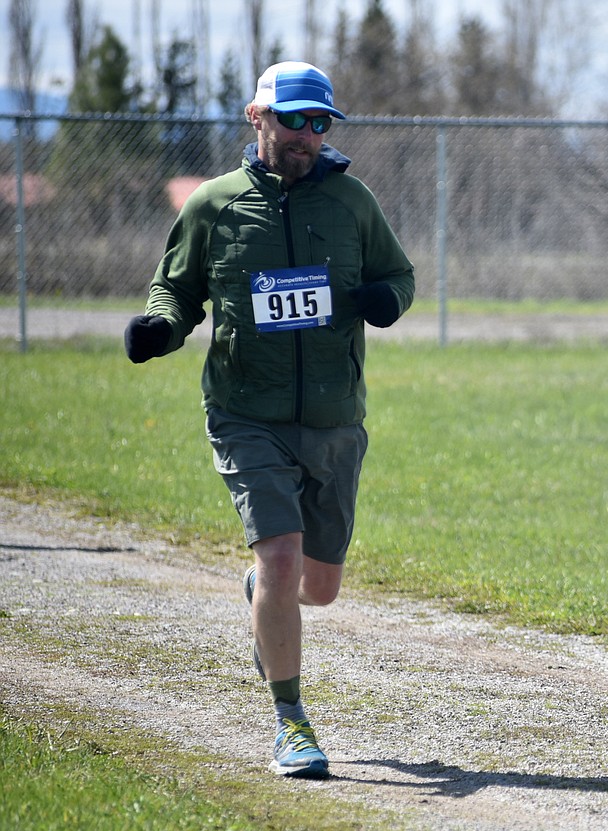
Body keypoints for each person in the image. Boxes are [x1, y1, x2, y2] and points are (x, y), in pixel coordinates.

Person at [123, 61, 415, 779]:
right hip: (245, 412)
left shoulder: (351, 202)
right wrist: (161, 327)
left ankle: (265, 598)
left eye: (321, 123)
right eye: (294, 120)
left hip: (334, 417)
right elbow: (177, 288)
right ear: (257, 116)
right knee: (280, 556)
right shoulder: (215, 205)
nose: (307, 136)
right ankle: (291, 723)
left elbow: (400, 273)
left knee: (319, 585)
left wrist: (387, 298)